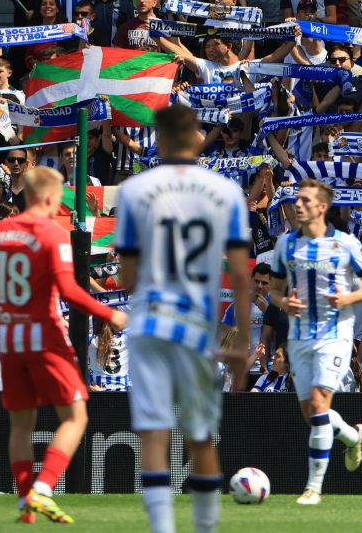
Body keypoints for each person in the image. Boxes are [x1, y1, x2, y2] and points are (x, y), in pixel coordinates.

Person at [0, 166, 129, 524]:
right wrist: (110, 315)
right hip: (44, 334)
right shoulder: (53, 234)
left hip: (10, 337)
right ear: (52, 198)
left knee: (21, 424)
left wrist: (5, 300)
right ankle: (44, 488)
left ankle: (25, 501)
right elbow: (69, 291)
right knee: (76, 415)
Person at [115, 104, 253, 533]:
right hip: (196, 325)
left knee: (155, 434)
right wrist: (242, 343)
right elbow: (241, 276)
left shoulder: (135, 190)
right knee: (199, 435)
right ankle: (206, 528)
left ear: (157, 139)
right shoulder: (225, 192)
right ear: (196, 137)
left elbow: (128, 275)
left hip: (151, 320)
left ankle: (162, 529)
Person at [267, 179, 362, 506]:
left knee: (319, 407)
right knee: (311, 415)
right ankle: (351, 435)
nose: (297, 205)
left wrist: (347, 298)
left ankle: (313, 488)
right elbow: (274, 291)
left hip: (335, 336)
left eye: (304, 200)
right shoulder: (285, 245)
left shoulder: (346, 244)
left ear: (321, 207)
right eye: (296, 200)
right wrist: (283, 303)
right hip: (299, 337)